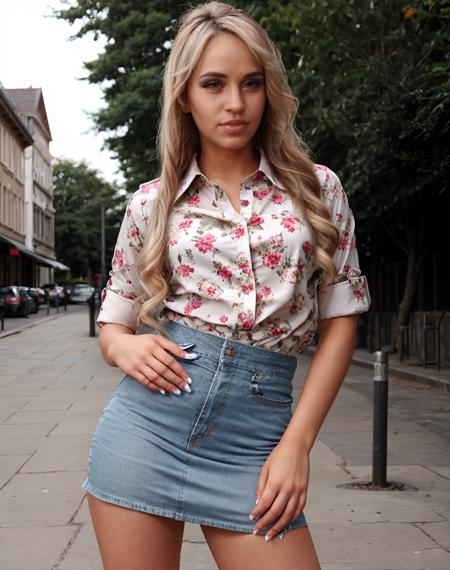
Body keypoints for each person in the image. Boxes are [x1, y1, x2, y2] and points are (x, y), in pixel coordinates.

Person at [82, 2, 371, 569]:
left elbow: (342, 320)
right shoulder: (151, 202)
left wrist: (298, 445)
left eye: (251, 84)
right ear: (185, 95)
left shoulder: (318, 190)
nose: (235, 103)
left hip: (258, 437)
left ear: (269, 91)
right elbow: (111, 327)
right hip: (147, 431)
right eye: (213, 84)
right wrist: (128, 346)